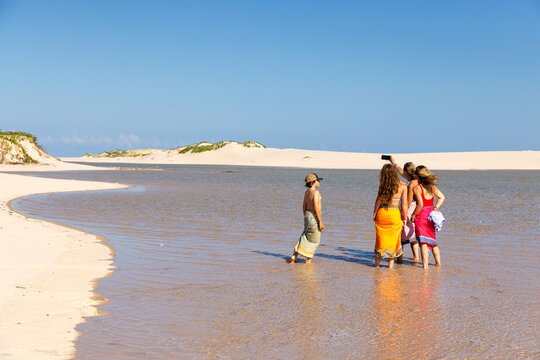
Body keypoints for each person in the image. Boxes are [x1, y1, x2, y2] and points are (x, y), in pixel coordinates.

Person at [373, 164, 407, 268]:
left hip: (382, 213)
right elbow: (404, 205)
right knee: (394, 240)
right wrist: (404, 218)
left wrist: (374, 213)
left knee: (380, 239)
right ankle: (391, 266)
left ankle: (377, 266)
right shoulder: (403, 186)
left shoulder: (382, 185)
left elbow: (378, 201)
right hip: (394, 214)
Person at [411, 166, 445, 269]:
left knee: (423, 241)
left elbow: (420, 204)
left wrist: (413, 215)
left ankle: (425, 267)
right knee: (432, 240)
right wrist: (435, 207)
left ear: (417, 176)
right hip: (431, 214)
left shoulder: (418, 188)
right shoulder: (431, 187)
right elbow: (442, 197)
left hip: (422, 215)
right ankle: (438, 264)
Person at [287, 173, 325, 264]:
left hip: (307, 215)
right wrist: (320, 221)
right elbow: (316, 207)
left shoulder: (307, 191)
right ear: (313, 182)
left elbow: (304, 205)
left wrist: (306, 216)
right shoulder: (316, 192)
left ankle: (294, 255)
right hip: (314, 216)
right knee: (315, 239)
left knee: (305, 235)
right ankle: (308, 262)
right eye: (318, 180)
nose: (319, 182)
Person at [388, 157, 420, 263]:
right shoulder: (416, 180)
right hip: (416, 210)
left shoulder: (411, 184)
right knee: (412, 237)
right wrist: (394, 163)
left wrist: (402, 210)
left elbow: (409, 202)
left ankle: (399, 259)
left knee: (401, 235)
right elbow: (402, 172)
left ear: (407, 172)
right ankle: (416, 258)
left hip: (409, 210)